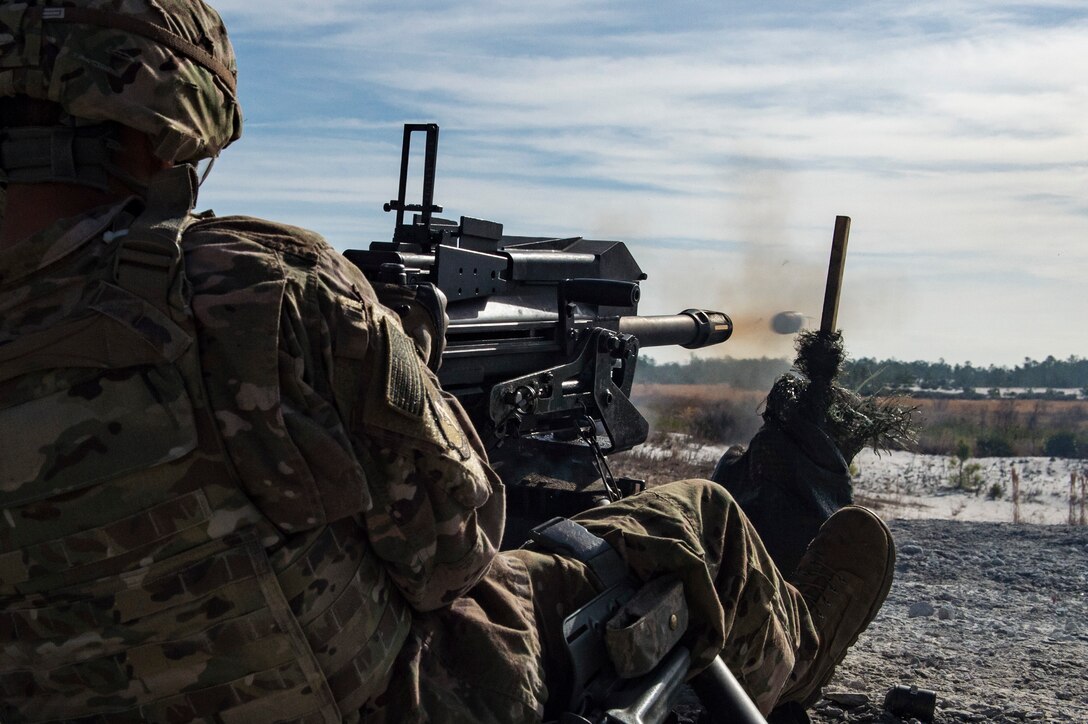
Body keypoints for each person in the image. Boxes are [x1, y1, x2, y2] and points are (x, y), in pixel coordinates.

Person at [0, 2, 895, 722]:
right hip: (392, 698)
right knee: (694, 520)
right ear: (160, 130)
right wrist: (405, 387)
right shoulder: (253, 289)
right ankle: (800, 660)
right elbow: (454, 553)